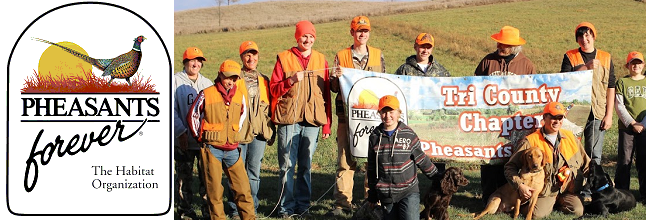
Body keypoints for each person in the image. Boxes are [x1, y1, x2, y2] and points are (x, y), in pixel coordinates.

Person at [269, 20, 332, 218]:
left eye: (311, 36)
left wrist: (326, 125)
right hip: (289, 119)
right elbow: (273, 89)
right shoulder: (284, 58)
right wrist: (291, 81)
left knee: (306, 166)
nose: (307, 39)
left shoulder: (321, 59)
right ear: (297, 37)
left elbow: (326, 94)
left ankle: (303, 206)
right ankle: (285, 208)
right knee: (287, 165)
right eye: (304, 36)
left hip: (313, 120)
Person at [327, 15, 386, 217]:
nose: (362, 34)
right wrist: (335, 77)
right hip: (347, 117)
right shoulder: (341, 55)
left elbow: (383, 83)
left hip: (372, 119)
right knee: (345, 160)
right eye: (359, 30)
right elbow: (334, 88)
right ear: (352, 32)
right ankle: (342, 203)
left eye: (366, 31)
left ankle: (372, 201)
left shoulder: (378, 55)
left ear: (369, 33)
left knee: (374, 161)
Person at [474, 25, 537, 205]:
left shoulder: (526, 64)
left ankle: (505, 199)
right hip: (489, 122)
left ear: (515, 47)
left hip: (513, 123)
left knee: (508, 159)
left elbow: (534, 93)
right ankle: (487, 197)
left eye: (505, 44)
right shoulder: (487, 61)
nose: (500, 46)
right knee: (488, 158)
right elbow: (474, 86)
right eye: (499, 42)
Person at [187, 60, 255, 220]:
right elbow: (193, 115)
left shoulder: (239, 94)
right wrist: (200, 137)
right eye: (227, 77)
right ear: (220, 75)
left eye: (234, 78)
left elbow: (242, 115)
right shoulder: (207, 93)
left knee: (243, 190)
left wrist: (234, 132)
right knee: (215, 192)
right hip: (212, 149)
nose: (230, 81)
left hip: (232, 149)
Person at [504, 101, 591, 218]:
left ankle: (556, 204)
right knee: (536, 215)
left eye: (560, 118)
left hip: (566, 190)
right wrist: (520, 186)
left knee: (577, 210)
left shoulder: (571, 138)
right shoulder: (531, 141)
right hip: (545, 193)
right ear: (544, 117)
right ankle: (517, 205)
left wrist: (602, 181)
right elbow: (510, 167)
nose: (557, 121)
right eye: (553, 117)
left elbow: (587, 164)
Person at [226, 41, 276, 219]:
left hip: (259, 133)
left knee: (254, 172)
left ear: (258, 57)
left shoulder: (264, 79)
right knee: (236, 172)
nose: (251, 58)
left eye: (254, 54)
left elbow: (269, 109)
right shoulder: (234, 78)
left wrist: (271, 131)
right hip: (239, 132)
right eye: (247, 55)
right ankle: (234, 209)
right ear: (241, 57)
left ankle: (251, 208)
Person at [366, 95, 438, 220]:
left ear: (399, 113)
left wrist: (438, 178)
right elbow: (372, 168)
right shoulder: (374, 137)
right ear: (379, 113)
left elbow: (422, 159)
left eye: (391, 112)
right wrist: (372, 193)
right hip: (386, 194)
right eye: (384, 112)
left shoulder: (408, 134)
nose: (387, 116)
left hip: (408, 191)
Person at [560, 22, 615, 166]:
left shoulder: (606, 57)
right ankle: (573, 184)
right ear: (577, 39)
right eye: (580, 36)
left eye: (587, 35)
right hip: (574, 113)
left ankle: (591, 186)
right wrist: (586, 67)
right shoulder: (570, 56)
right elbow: (564, 81)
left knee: (594, 154)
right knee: (570, 150)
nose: (584, 39)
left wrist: (609, 115)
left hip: (597, 113)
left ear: (593, 36)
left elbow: (610, 87)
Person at [173, 47, 213, 220]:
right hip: (183, 140)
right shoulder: (174, 81)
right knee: (184, 177)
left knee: (206, 177)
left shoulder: (207, 83)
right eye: (192, 60)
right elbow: (170, 109)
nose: (196, 64)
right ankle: (185, 211)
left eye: (199, 61)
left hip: (203, 141)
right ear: (185, 62)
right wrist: (180, 131)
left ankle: (207, 211)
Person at [614, 51, 646, 201]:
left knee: (644, 160)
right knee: (624, 160)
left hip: (645, 128)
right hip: (627, 128)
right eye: (633, 63)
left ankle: (644, 193)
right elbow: (619, 106)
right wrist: (632, 123)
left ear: (643, 65)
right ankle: (622, 194)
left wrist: (643, 124)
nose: (636, 65)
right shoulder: (622, 82)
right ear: (627, 65)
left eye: (639, 63)